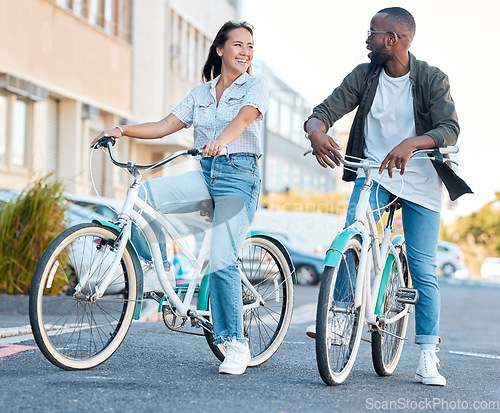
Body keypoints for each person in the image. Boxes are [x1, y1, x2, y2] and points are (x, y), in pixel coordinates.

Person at [304, 7, 471, 386]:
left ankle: (428, 355)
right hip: (375, 174)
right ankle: (339, 320)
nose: (367, 39)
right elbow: (323, 112)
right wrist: (316, 131)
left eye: (373, 33)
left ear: (393, 39)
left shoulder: (431, 78)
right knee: (353, 237)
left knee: (424, 269)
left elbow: (450, 128)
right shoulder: (364, 76)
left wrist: (412, 143)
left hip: (420, 182)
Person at [91, 21, 269, 375]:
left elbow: (246, 118)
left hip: (240, 177)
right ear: (220, 49)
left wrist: (224, 140)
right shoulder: (200, 94)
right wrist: (121, 130)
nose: (245, 52)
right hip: (205, 175)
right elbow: (164, 126)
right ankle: (155, 271)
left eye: (250, 46)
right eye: (237, 45)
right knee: (144, 195)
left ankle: (235, 343)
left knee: (222, 257)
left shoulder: (257, 86)